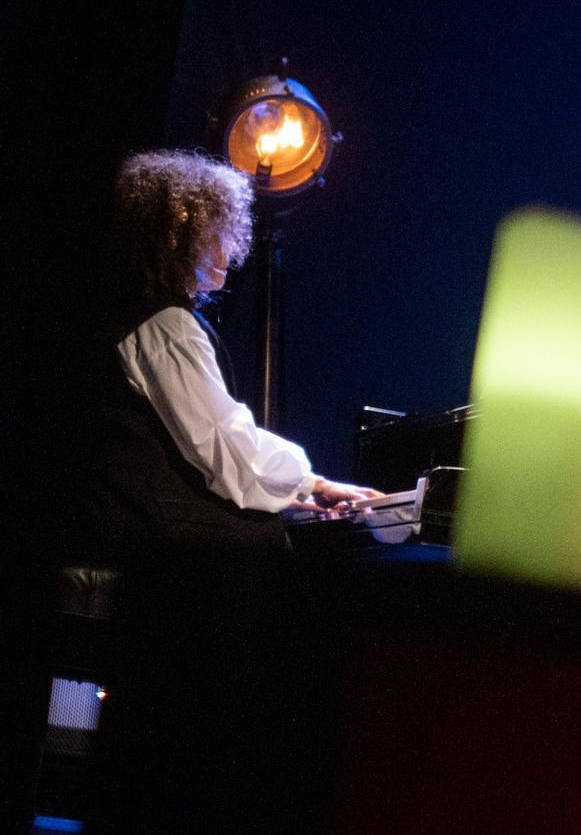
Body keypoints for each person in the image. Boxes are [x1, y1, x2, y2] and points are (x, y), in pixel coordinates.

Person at [70, 150, 376, 559]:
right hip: (138, 523)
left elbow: (218, 432)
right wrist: (312, 484)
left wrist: (301, 487)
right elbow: (224, 448)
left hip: (124, 515)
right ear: (175, 237)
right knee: (267, 541)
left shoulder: (137, 314)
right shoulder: (166, 326)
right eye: (214, 234)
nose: (227, 253)